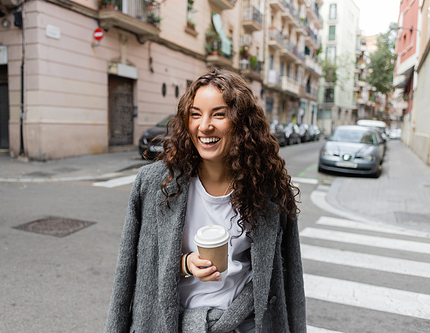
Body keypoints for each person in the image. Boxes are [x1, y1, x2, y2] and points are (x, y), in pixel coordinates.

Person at [104, 69, 306, 333]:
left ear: (242, 123)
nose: (204, 125)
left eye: (219, 114)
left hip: (243, 323)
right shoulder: (154, 183)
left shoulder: (270, 190)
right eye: (195, 114)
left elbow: (290, 277)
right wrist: (186, 263)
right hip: (170, 324)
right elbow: (129, 270)